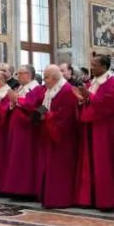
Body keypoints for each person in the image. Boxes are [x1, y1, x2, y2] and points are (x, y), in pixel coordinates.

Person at [74, 54, 114, 211]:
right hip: (90, 126)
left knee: (103, 163)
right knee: (89, 162)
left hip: (104, 128)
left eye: (95, 64)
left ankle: (106, 200)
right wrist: (82, 99)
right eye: (91, 64)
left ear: (104, 67)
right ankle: (89, 197)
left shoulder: (113, 83)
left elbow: (110, 104)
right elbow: (89, 101)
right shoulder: (92, 83)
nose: (92, 67)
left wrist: (90, 96)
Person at [38, 65, 81, 208]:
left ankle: (60, 199)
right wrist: (37, 114)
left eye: (46, 77)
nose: (44, 81)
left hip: (63, 137)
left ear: (55, 78)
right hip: (51, 133)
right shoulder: (50, 90)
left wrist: (48, 116)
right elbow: (45, 105)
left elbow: (66, 116)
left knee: (60, 169)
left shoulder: (66, 90)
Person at [2, 65, 44, 198]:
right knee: (15, 157)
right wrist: (12, 104)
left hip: (27, 129)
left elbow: (33, 105)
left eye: (21, 73)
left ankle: (25, 190)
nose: (18, 76)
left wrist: (16, 99)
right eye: (17, 74)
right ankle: (15, 188)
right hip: (17, 127)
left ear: (29, 74)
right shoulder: (21, 88)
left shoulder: (36, 88)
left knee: (24, 158)